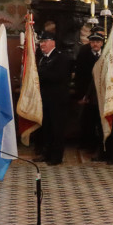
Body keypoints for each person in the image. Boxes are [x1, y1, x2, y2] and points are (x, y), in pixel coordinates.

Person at [36, 31, 72, 165]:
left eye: (45, 42)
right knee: (46, 128)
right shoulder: (42, 57)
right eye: (41, 42)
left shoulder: (62, 58)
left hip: (57, 100)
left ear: (53, 43)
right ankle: (46, 153)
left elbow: (59, 76)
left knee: (57, 129)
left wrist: (39, 75)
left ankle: (56, 157)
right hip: (45, 99)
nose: (42, 44)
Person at [74, 30, 105, 158]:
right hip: (88, 94)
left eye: (97, 42)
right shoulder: (83, 54)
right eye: (92, 42)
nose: (95, 44)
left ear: (102, 43)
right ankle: (90, 145)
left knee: (101, 122)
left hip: (102, 94)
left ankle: (102, 147)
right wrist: (82, 95)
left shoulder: (105, 55)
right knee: (89, 121)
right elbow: (79, 77)